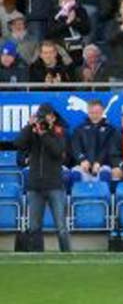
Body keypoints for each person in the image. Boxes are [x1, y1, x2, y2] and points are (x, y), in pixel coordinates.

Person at [14, 103, 71, 252]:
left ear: (52, 117)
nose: (43, 120)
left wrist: (45, 134)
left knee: (61, 226)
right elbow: (18, 144)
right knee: (34, 227)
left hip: (54, 185)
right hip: (35, 186)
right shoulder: (32, 131)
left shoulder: (59, 132)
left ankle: (67, 255)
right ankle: (37, 256)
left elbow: (58, 152)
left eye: (45, 117)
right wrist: (29, 126)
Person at [71, 100, 116, 184]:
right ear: (87, 112)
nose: (94, 115)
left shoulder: (110, 130)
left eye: (97, 112)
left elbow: (109, 148)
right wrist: (82, 160)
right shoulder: (79, 129)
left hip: (103, 165)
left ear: (102, 112)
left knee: (105, 174)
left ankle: (106, 196)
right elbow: (75, 147)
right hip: (83, 166)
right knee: (75, 174)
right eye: (91, 112)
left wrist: (99, 162)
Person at [46, 0, 90, 66]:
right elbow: (50, 32)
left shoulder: (80, 10)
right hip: (60, 48)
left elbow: (86, 30)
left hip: (76, 47)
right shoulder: (53, 11)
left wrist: (74, 22)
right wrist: (67, 23)